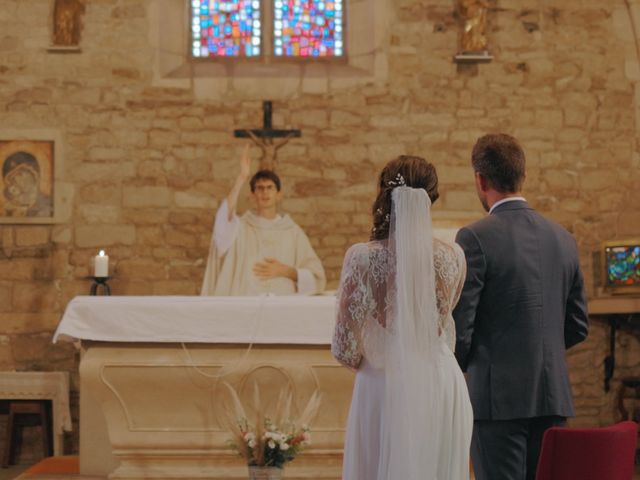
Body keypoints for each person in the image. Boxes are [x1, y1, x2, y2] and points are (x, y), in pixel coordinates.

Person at [452, 133, 589, 480]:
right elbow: (577, 324)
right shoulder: (563, 238)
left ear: (480, 180)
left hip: (497, 401)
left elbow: (461, 326)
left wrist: (463, 368)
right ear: (523, 175)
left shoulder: (475, 237)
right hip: (552, 397)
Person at [332, 155, 473, 480]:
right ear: (431, 197)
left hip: (384, 386)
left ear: (384, 193)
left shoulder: (363, 258)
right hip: (441, 383)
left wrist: (382, 356)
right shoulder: (454, 257)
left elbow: (344, 348)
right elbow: (444, 321)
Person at [201, 146, 326, 296]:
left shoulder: (293, 232)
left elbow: (317, 278)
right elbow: (223, 222)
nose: (265, 192)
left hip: (283, 306)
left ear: (279, 195)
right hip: (246, 305)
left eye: (269, 188)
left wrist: (287, 271)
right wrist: (242, 177)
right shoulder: (240, 228)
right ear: (252, 195)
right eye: (259, 188)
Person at [2, 151, 52, 217]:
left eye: (20, 173)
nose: (16, 180)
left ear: (35, 176)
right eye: (12, 179)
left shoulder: (47, 204)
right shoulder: (8, 208)